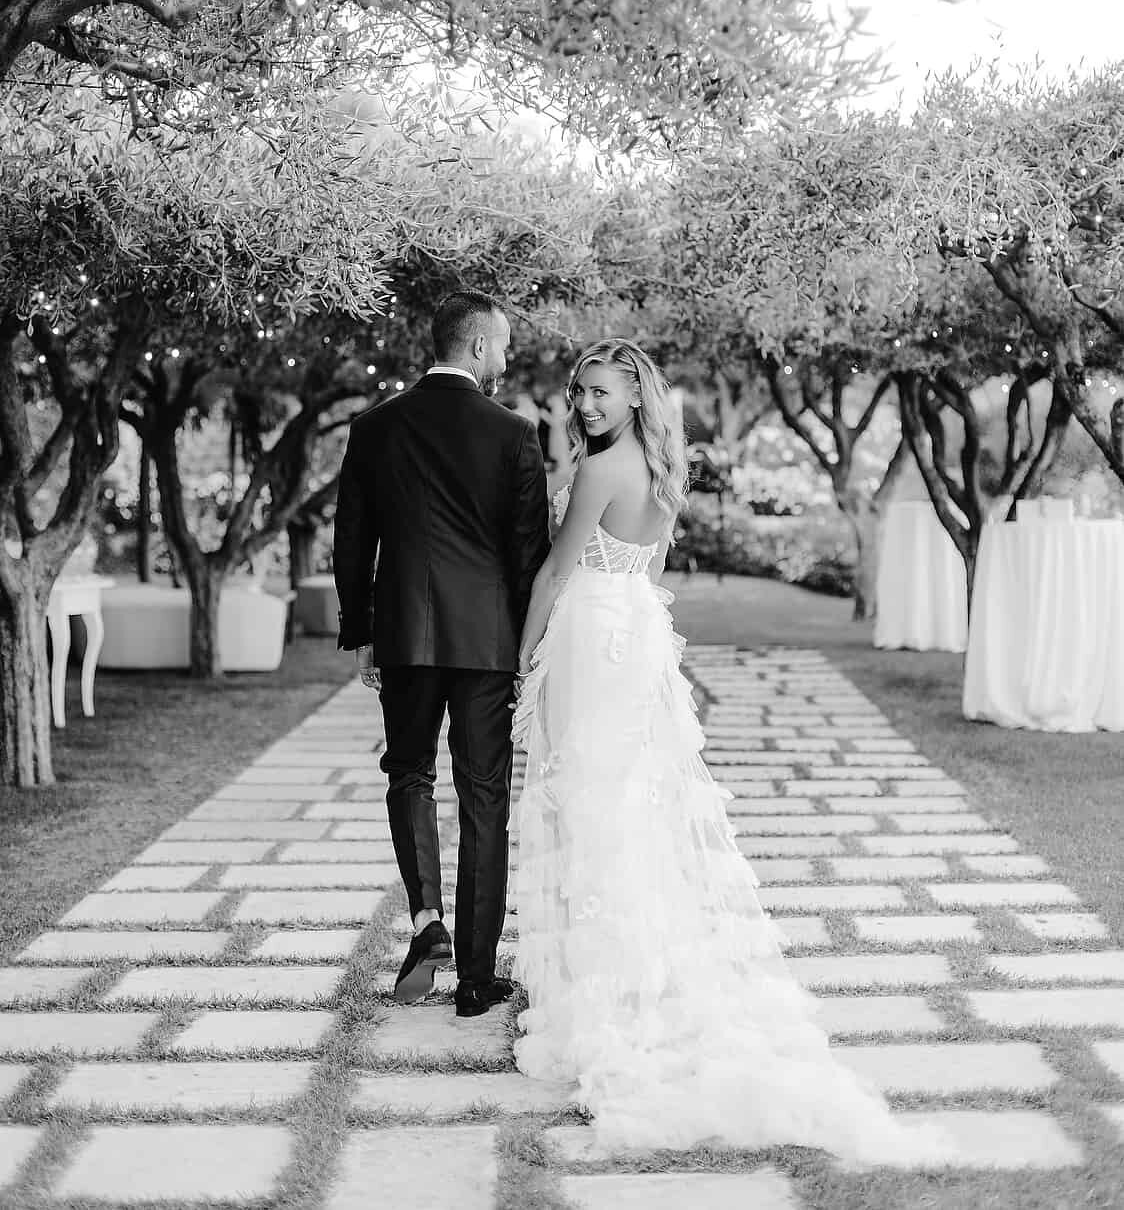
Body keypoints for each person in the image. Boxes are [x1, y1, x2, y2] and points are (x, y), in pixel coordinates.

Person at [510, 338, 938, 1161]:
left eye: (598, 392)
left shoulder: (600, 471)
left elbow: (555, 572)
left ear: (635, 395)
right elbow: (648, 571)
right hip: (633, 637)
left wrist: (519, 661)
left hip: (589, 637)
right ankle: (629, 970)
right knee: (625, 800)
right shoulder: (663, 474)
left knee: (586, 800)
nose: (584, 406)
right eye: (578, 393)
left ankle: (600, 993)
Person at [333, 291, 550, 1018]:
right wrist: (530, 647)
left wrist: (361, 631)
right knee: (485, 797)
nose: (509, 358)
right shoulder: (516, 434)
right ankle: (478, 980)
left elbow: (352, 539)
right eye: (507, 345)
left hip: (404, 634)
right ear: (480, 346)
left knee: (408, 773)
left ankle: (428, 923)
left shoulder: (375, 427)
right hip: (487, 642)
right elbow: (528, 555)